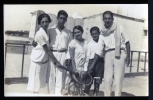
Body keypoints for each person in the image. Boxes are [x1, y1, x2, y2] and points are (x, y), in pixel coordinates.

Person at [88, 11, 130, 96]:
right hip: (107, 54)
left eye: (109, 18)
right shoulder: (102, 33)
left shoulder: (120, 28)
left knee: (118, 79)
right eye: (105, 18)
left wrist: (128, 56)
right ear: (103, 20)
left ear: (112, 19)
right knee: (107, 79)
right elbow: (99, 51)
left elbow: (127, 42)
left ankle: (118, 95)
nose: (107, 20)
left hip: (120, 53)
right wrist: (92, 65)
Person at [27, 13, 64, 94]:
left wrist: (34, 42)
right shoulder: (40, 33)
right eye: (42, 22)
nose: (45, 24)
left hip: (43, 62)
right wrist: (56, 61)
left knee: (39, 85)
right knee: (35, 87)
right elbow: (47, 50)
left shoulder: (47, 31)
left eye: (46, 22)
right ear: (40, 23)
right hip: (37, 62)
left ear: (49, 22)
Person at [83, 26, 104, 96]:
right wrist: (86, 68)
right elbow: (87, 57)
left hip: (100, 64)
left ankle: (96, 93)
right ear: (91, 35)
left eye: (96, 33)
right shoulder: (89, 44)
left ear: (99, 33)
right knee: (89, 80)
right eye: (93, 34)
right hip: (91, 63)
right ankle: (86, 93)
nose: (94, 35)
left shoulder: (102, 42)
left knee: (97, 81)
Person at [68, 25, 88, 95]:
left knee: (82, 87)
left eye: (78, 32)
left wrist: (85, 69)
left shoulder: (86, 42)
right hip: (75, 67)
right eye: (75, 33)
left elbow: (87, 56)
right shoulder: (73, 42)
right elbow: (72, 57)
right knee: (74, 86)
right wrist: (74, 69)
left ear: (82, 32)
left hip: (83, 67)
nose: (77, 34)